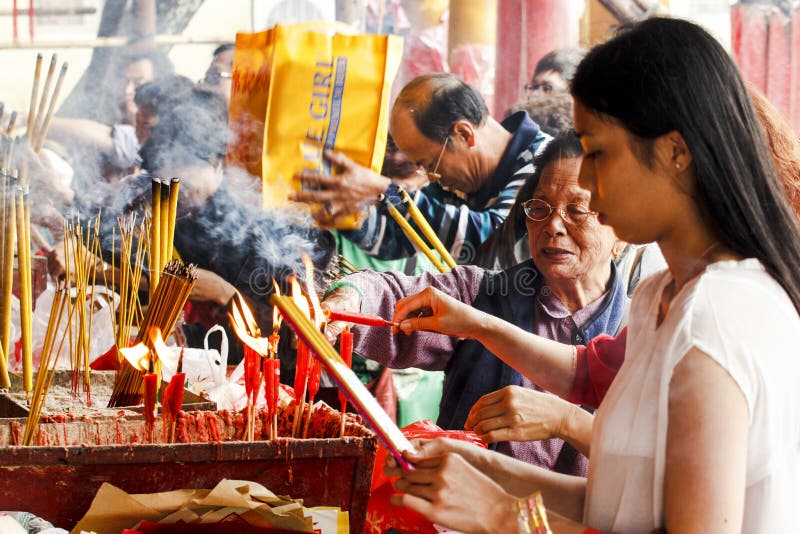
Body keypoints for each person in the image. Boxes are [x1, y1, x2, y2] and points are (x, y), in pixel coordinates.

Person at [385, 17, 800, 533]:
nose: (583, 179)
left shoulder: (715, 320)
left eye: (597, 152)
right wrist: (489, 471)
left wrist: (501, 515)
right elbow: (623, 503)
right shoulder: (659, 297)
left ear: (675, 152)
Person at [324, 132, 627, 473]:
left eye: (577, 210)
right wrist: (351, 298)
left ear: (622, 227)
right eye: (540, 208)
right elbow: (392, 295)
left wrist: (564, 421)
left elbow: (646, 468)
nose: (553, 225)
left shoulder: (636, 333)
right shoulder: (482, 294)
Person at [291, 73, 549, 265]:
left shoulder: (546, 163)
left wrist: (385, 190)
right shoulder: (463, 183)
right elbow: (402, 235)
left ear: (463, 134)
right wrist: (348, 216)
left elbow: (494, 240)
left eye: (429, 164)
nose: (433, 178)